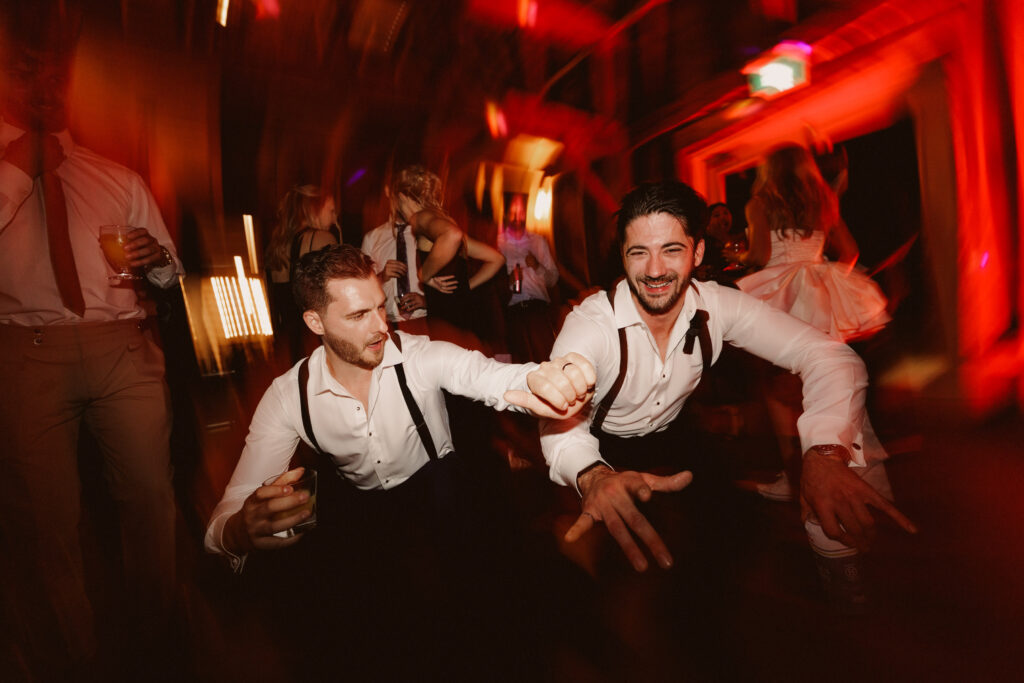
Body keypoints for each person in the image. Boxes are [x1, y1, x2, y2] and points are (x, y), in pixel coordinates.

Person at [204, 244, 595, 678]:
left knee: (485, 621)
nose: (380, 327)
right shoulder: (287, 396)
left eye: (379, 307)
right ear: (315, 322)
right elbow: (227, 511)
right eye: (357, 316)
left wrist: (539, 379)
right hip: (369, 522)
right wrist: (238, 531)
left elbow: (486, 375)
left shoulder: (420, 355)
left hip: (444, 495)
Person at [539, 181, 915, 609]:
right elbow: (558, 420)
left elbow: (828, 355)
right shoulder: (591, 322)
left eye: (672, 250)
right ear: (623, 257)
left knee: (737, 526)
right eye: (639, 252)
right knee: (599, 565)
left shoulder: (718, 306)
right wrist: (591, 475)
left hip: (675, 428)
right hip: (603, 441)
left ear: (698, 253)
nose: (655, 270)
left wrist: (825, 451)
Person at [0, 6, 181, 678]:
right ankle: (69, 655)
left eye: (52, 69)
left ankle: (154, 634)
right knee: (44, 518)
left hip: (122, 346)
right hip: (25, 352)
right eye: (25, 67)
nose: (41, 78)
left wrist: (155, 260)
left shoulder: (116, 175)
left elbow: (168, 268)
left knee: (148, 497)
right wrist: (18, 168)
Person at [728, 144, 890, 505]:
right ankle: (824, 470)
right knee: (818, 386)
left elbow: (760, 256)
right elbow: (849, 252)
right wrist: (826, 279)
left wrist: (738, 255)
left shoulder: (760, 203)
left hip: (780, 296)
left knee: (778, 390)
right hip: (817, 296)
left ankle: (798, 476)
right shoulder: (825, 201)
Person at [390, 165, 504, 340]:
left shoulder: (420, 217)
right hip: (463, 318)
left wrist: (424, 274)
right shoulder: (443, 218)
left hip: (447, 323)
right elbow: (496, 259)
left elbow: (452, 235)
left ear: (401, 196)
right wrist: (464, 289)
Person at [265, 184, 339, 362]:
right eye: (331, 211)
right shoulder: (321, 238)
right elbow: (338, 289)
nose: (335, 218)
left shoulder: (277, 245)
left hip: (288, 346)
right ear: (315, 210)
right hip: (315, 338)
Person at [497, 193, 559, 362]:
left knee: (547, 360)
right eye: (513, 211)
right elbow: (491, 287)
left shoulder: (538, 242)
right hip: (512, 313)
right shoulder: (498, 244)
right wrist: (507, 281)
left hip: (539, 310)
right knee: (520, 366)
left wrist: (537, 266)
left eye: (521, 211)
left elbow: (553, 279)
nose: (518, 216)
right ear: (506, 214)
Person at [360, 187, 430, 335]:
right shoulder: (372, 238)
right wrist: (382, 276)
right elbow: (362, 289)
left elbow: (445, 282)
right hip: (388, 325)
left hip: (425, 320)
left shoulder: (427, 234)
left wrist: (426, 301)